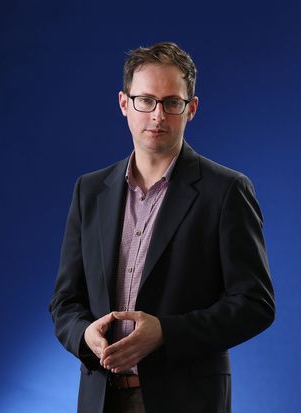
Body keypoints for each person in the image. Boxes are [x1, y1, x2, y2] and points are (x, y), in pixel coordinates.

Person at [49, 42, 275, 413]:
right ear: (124, 104)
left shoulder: (227, 191)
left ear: (192, 109)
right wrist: (83, 335)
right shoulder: (89, 191)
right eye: (145, 100)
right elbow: (65, 300)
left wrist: (166, 333)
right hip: (100, 399)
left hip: (186, 400)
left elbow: (255, 304)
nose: (158, 115)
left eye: (172, 102)